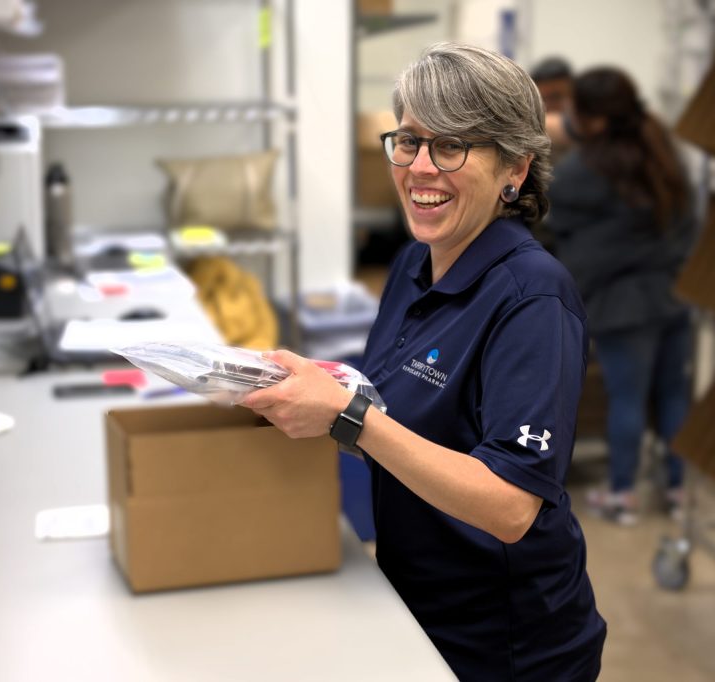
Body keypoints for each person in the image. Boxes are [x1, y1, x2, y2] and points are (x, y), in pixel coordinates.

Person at [239, 43, 606, 681]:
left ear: (515, 169)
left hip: (507, 647)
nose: (420, 168)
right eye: (408, 141)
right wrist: (310, 400)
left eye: (453, 146)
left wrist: (349, 418)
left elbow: (511, 505)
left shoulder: (533, 300)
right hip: (413, 608)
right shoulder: (415, 264)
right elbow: (403, 424)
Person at [545, 67, 695, 525]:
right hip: (673, 293)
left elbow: (552, 221)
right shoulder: (660, 149)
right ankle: (677, 489)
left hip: (623, 307)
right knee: (673, 394)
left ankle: (623, 493)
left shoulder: (584, 169)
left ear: (593, 118)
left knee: (627, 398)